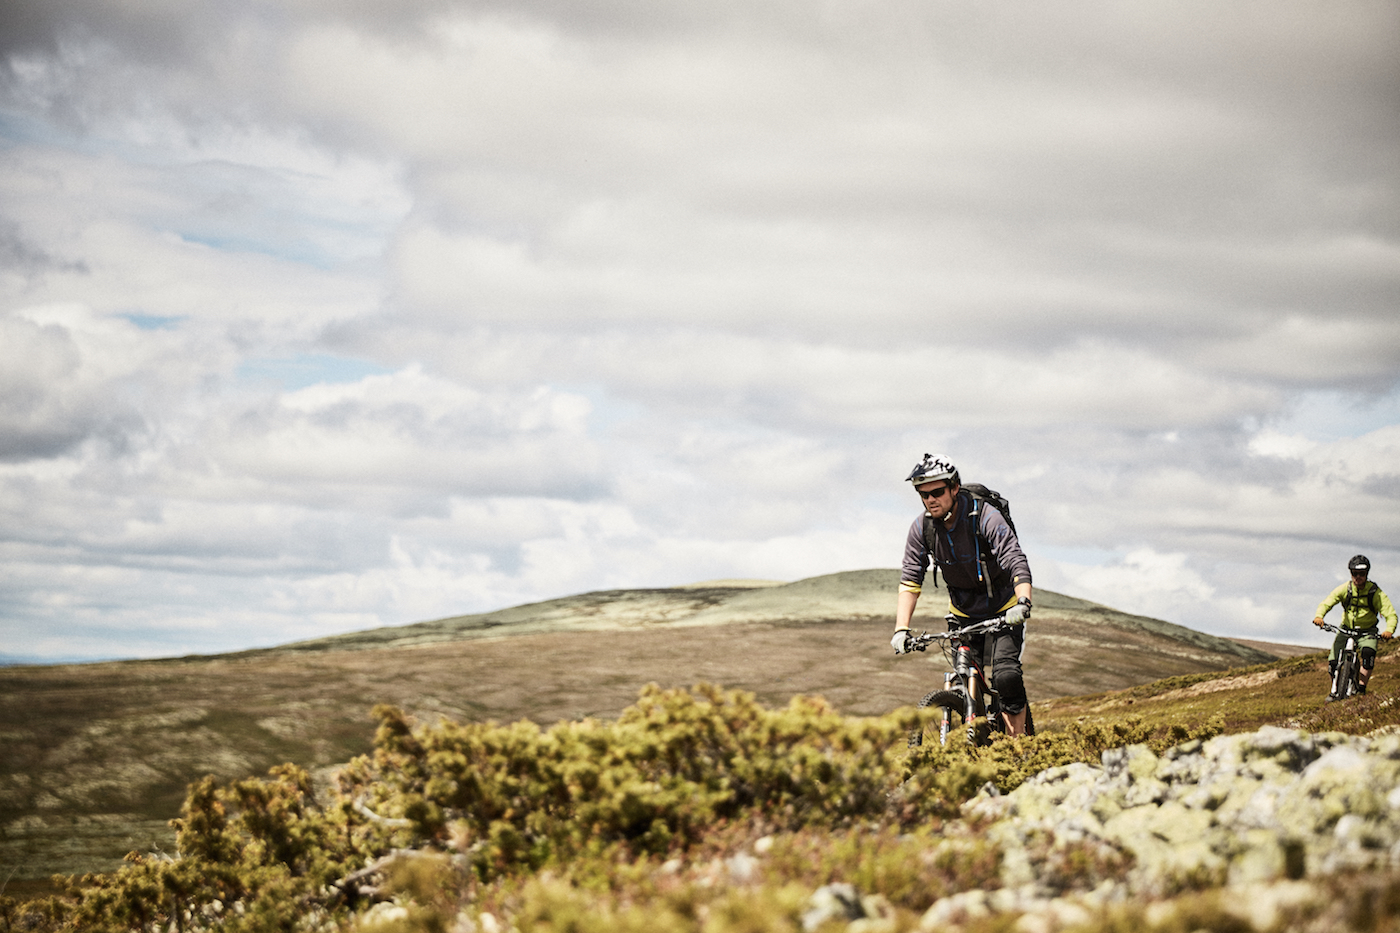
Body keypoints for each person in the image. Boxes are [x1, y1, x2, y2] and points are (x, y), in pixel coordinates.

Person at [890, 454, 1034, 735]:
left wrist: (1023, 602)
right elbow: (910, 581)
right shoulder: (922, 528)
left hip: (1004, 609)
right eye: (923, 495)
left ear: (954, 488)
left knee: (1006, 676)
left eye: (937, 492)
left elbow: (1014, 558)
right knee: (964, 681)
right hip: (963, 614)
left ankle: (1020, 748)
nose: (930, 500)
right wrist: (901, 629)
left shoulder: (984, 516)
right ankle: (974, 740)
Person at [1312, 554, 1396, 698]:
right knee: (1333, 661)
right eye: (1354, 573)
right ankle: (1335, 689)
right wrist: (1319, 616)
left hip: (1367, 631)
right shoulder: (1345, 589)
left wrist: (1389, 630)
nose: (1358, 577)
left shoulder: (1375, 593)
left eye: (1361, 574)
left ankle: (1361, 688)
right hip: (1346, 629)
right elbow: (1328, 602)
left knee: (1368, 655)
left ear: (1366, 574)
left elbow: (1390, 613)